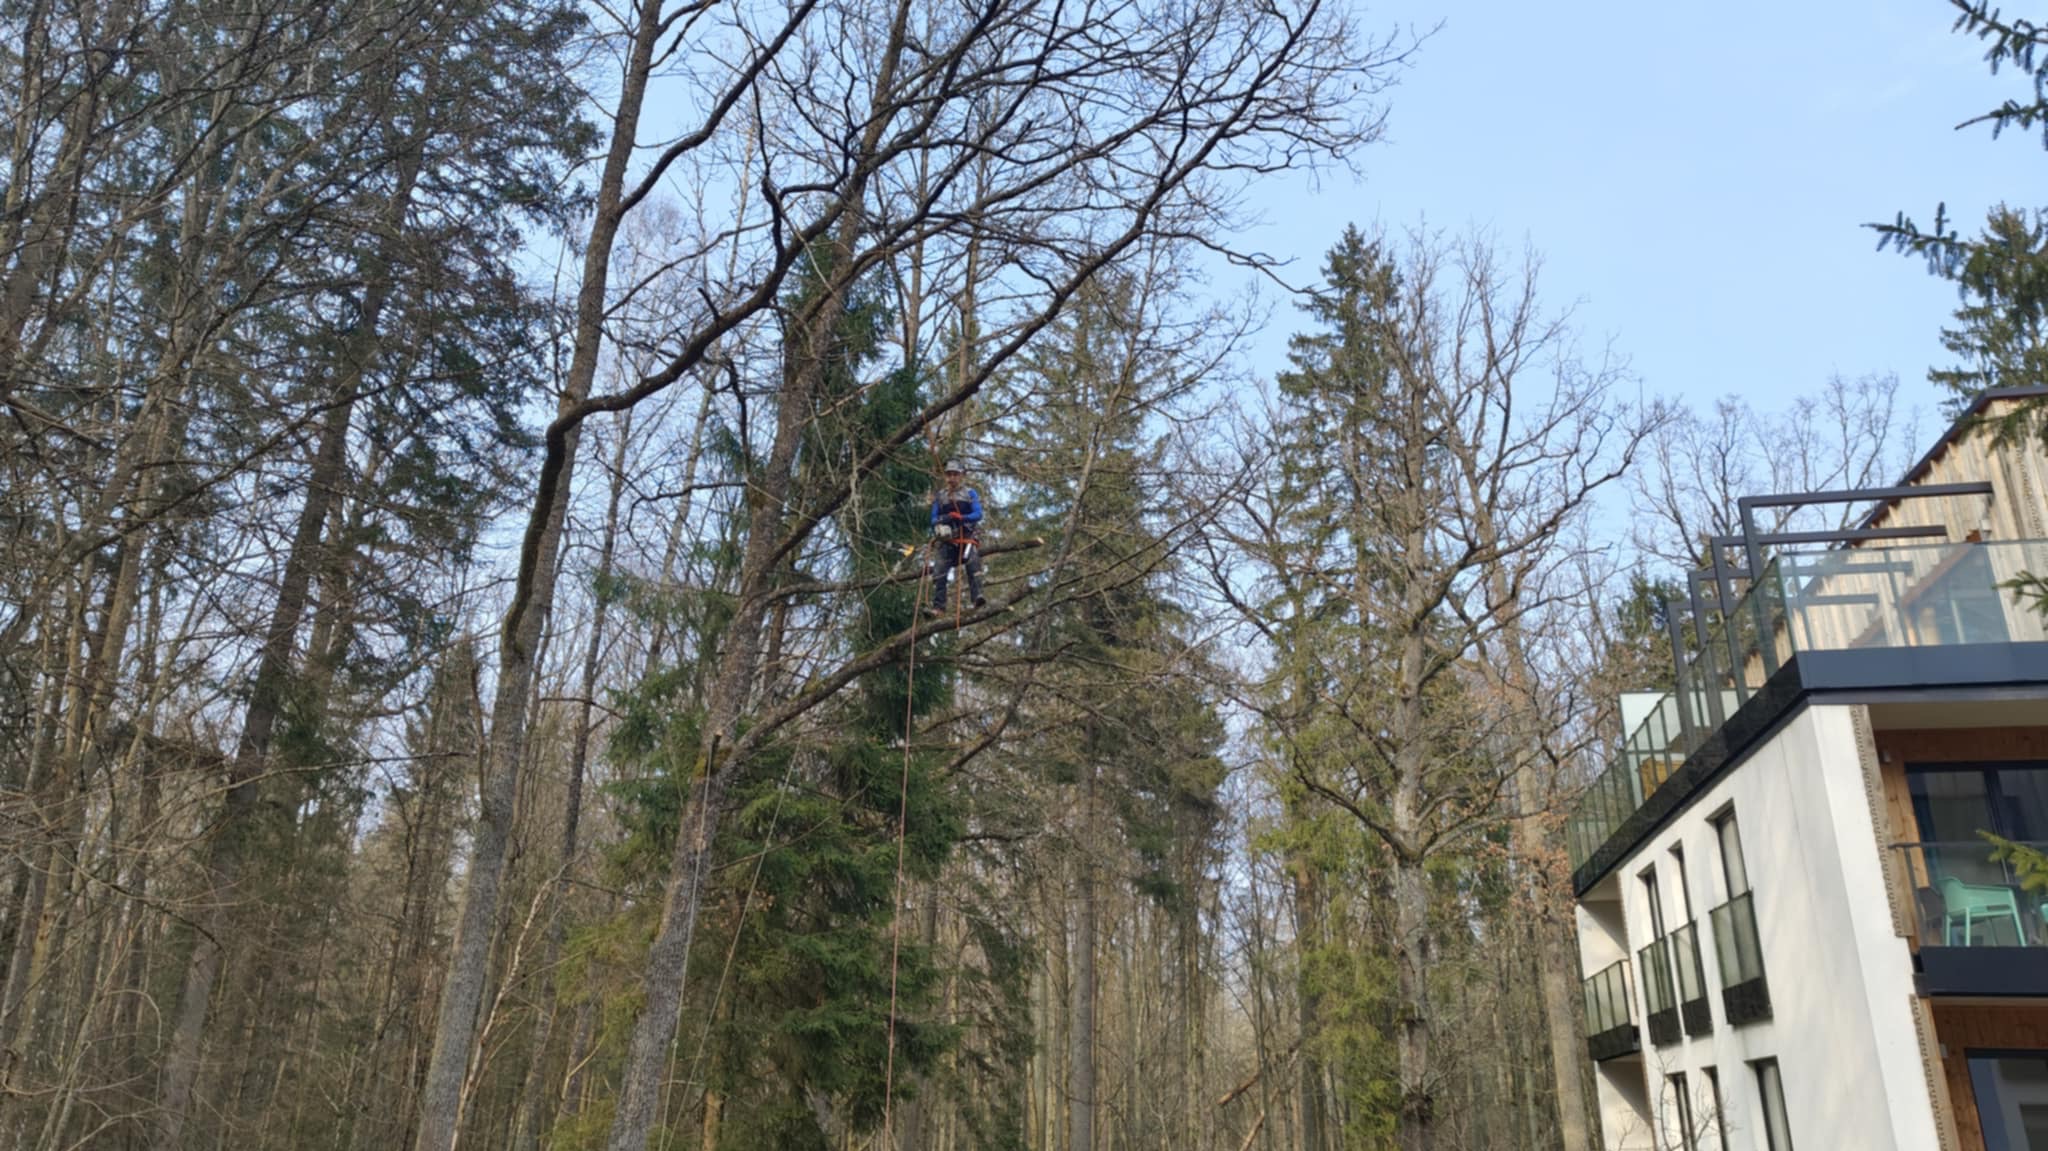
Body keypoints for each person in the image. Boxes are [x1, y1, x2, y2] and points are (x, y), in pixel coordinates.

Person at [928, 459, 986, 614]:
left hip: (966, 535)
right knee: (939, 569)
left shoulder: (969, 493)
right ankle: (938, 606)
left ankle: (977, 597)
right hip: (948, 539)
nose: (952, 478)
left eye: (955, 474)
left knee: (973, 563)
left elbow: (978, 514)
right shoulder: (941, 496)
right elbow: (933, 519)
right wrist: (945, 518)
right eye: (949, 474)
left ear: (961, 476)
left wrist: (962, 517)